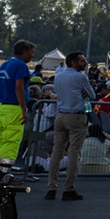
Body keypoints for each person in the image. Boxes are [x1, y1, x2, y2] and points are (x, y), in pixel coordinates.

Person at [45, 51, 92, 201]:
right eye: (82, 61)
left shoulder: (59, 76)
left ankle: (51, 187)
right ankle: (69, 188)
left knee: (56, 152)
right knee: (74, 153)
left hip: (60, 116)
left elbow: (59, 94)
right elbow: (92, 95)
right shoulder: (81, 77)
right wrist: (83, 94)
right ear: (74, 63)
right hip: (76, 116)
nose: (85, 63)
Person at [0, 40, 34, 164]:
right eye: (31, 52)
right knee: (11, 139)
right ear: (24, 52)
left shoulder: (4, 65)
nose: (32, 55)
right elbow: (19, 87)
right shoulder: (21, 65)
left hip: (1, 106)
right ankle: (4, 170)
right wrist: (24, 109)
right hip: (14, 107)